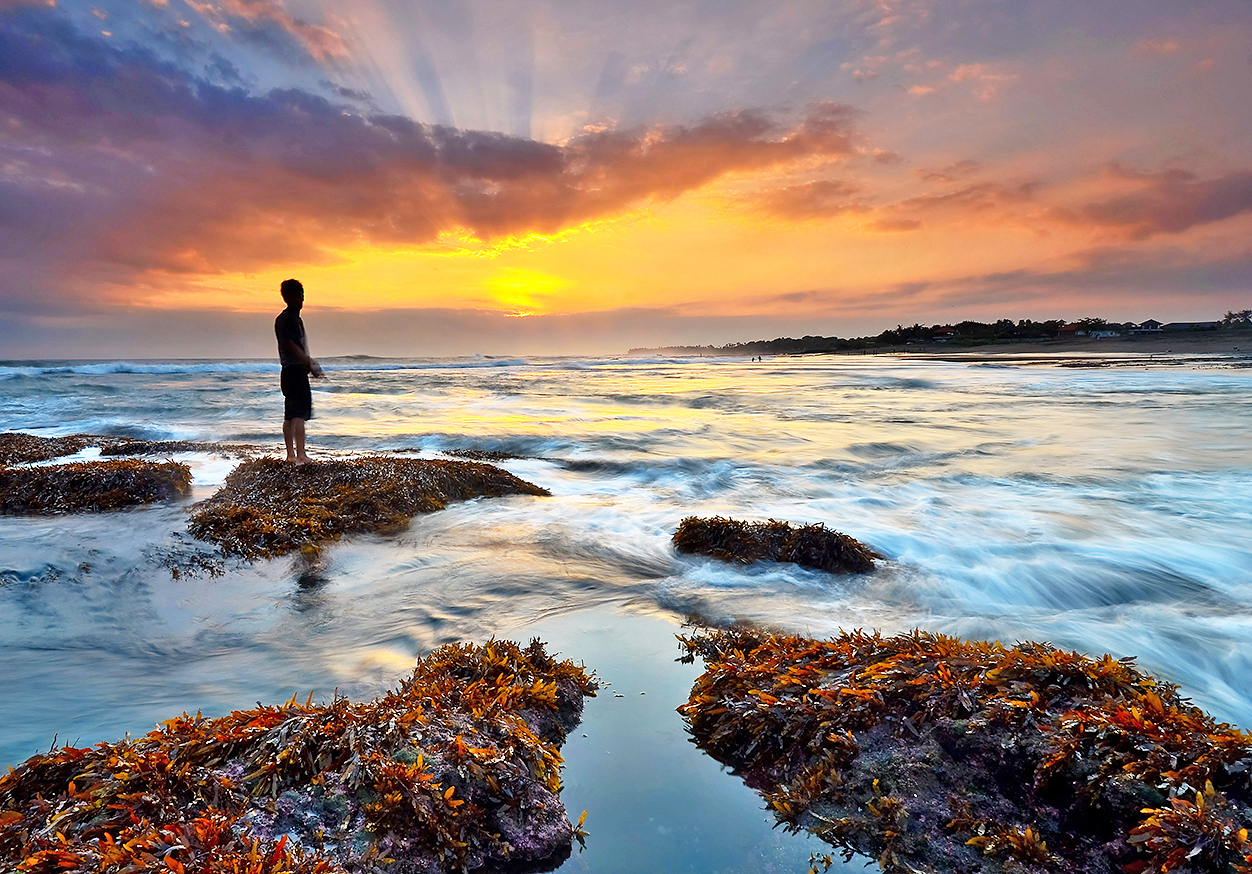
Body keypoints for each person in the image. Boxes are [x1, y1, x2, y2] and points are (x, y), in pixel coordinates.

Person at [275, 278, 323, 464]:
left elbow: (301, 346)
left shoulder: (295, 319)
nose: (301, 300)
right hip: (293, 371)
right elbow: (291, 346)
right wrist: (309, 364)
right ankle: (300, 455)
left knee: (290, 414)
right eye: (297, 296)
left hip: (291, 371)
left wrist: (308, 365)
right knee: (298, 415)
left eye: (302, 296)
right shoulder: (286, 320)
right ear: (289, 298)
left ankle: (291, 455)